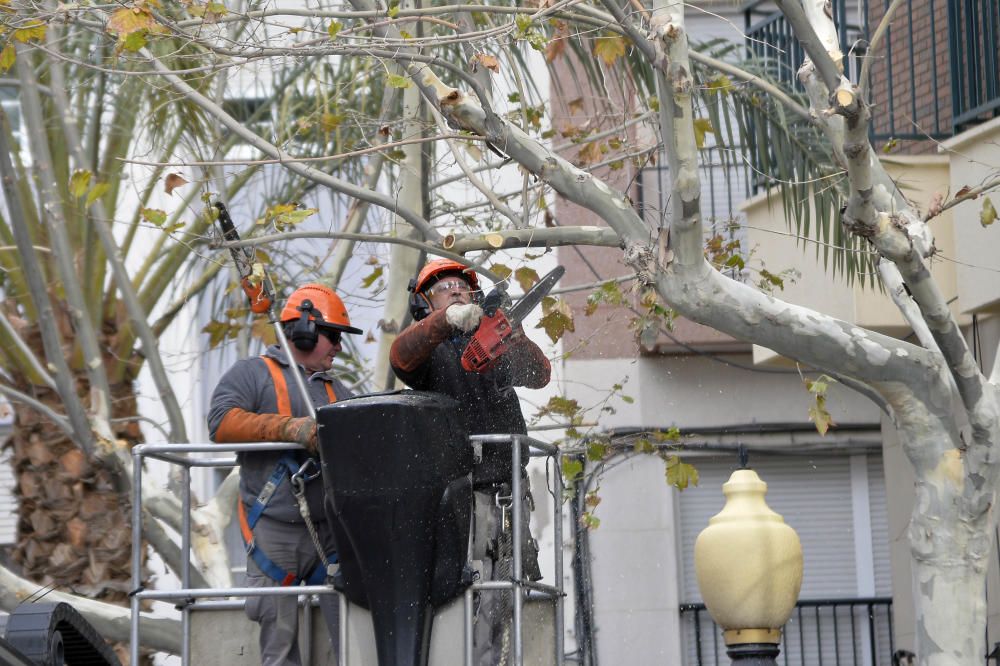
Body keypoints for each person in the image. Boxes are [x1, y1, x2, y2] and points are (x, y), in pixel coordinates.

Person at [389, 258, 551, 666]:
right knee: (460, 597)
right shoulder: (426, 348)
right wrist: (447, 321)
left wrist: (509, 333)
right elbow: (401, 357)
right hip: (456, 495)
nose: (457, 291)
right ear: (425, 301)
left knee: (502, 598)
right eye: (445, 288)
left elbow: (539, 374)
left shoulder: (492, 343)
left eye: (463, 286)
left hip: (506, 492)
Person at [208, 283, 362, 666]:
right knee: (278, 640)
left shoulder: (336, 391)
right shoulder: (253, 374)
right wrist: (289, 429)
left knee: (352, 631)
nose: (339, 348)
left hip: (327, 531)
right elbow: (221, 422)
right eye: (333, 337)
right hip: (273, 530)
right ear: (305, 331)